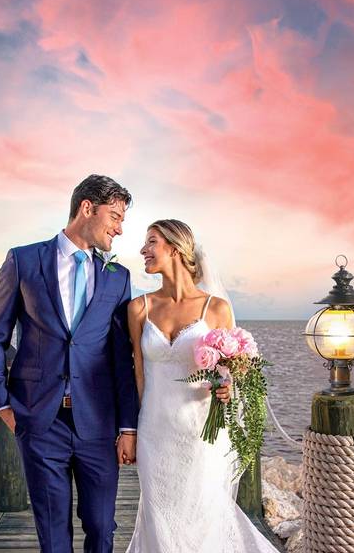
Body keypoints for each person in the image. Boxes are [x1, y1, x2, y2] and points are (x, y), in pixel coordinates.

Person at [0, 174, 140, 553]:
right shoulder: (23, 260)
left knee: (102, 528)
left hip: (98, 423)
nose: (120, 228)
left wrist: (128, 426)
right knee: (52, 535)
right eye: (115, 216)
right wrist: (2, 405)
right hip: (39, 422)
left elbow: (122, 357)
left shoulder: (118, 277)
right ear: (87, 208)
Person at [125, 219, 279, 552]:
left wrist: (228, 388)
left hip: (201, 434)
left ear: (175, 248)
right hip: (155, 430)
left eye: (151, 242)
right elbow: (137, 372)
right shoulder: (138, 308)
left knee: (202, 516)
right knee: (159, 518)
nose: (143, 250)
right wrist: (133, 431)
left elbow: (234, 371)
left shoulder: (217, 309)